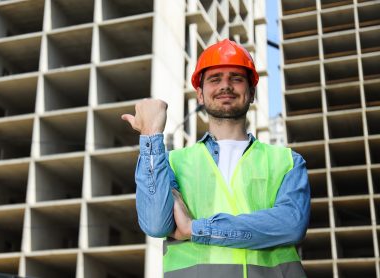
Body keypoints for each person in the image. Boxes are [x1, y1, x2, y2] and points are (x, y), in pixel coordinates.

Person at [121, 39, 310, 278]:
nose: (226, 85)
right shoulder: (171, 163)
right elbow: (156, 225)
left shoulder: (287, 161)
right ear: (200, 94)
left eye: (236, 78)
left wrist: (195, 228)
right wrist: (151, 135)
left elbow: (291, 225)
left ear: (251, 93)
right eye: (215, 79)